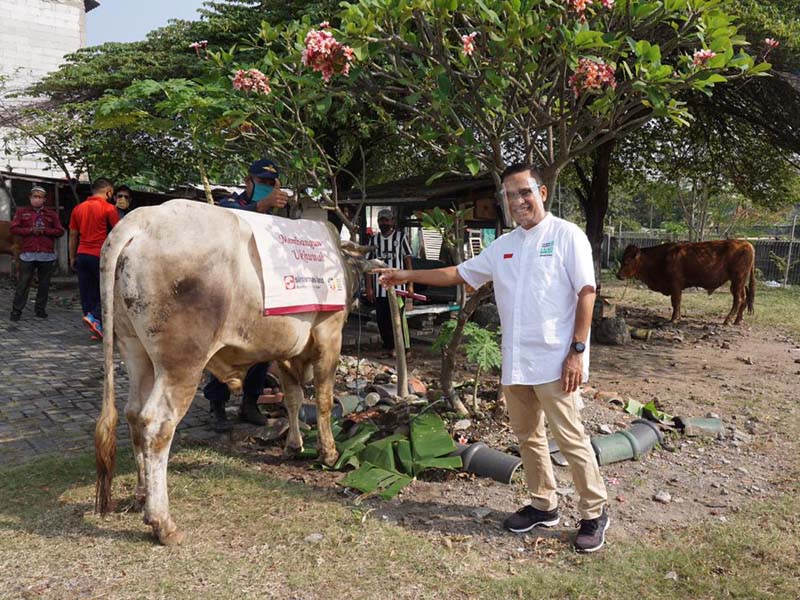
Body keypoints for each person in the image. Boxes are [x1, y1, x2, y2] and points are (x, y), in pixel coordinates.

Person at [377, 163, 609, 553]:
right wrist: (405, 277)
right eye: (509, 195)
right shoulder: (504, 246)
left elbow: (586, 293)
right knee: (528, 437)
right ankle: (543, 504)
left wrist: (577, 351)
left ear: (542, 193)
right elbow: (458, 273)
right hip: (516, 361)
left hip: (556, 360)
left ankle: (594, 512)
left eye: (524, 192)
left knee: (570, 439)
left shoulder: (567, 236)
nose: (518, 201)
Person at [204, 158, 290, 432]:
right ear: (248, 181)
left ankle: (250, 404)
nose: (266, 188)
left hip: (261, 290)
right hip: (229, 292)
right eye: (261, 182)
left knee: (263, 350)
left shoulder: (275, 213)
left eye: (270, 183)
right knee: (225, 348)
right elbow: (227, 226)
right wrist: (261, 206)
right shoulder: (229, 205)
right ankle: (217, 406)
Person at [68, 178, 120, 339]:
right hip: (99, 255)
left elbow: (73, 234)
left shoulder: (78, 208)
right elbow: (119, 231)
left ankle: (96, 328)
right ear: (108, 192)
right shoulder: (109, 208)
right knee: (109, 291)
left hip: (82, 254)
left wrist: (72, 256)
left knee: (87, 291)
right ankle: (95, 317)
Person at [9, 186, 64, 321]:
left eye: (40, 197)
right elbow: (14, 228)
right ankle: (16, 311)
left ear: (44, 199)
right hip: (27, 254)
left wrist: (45, 231)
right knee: (23, 283)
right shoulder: (22, 212)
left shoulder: (51, 214)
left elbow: (59, 231)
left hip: (46, 254)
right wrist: (30, 230)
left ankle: (40, 309)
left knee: (44, 284)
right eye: (35, 196)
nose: (37, 199)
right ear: (30, 198)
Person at [364, 208, 414, 358]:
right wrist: (369, 288)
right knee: (382, 320)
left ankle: (405, 350)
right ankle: (389, 347)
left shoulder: (401, 237)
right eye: (381, 220)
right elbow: (368, 265)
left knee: (398, 319)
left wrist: (410, 284)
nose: (384, 223)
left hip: (398, 288)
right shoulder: (374, 240)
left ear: (392, 221)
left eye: (386, 220)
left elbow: (408, 261)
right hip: (380, 288)